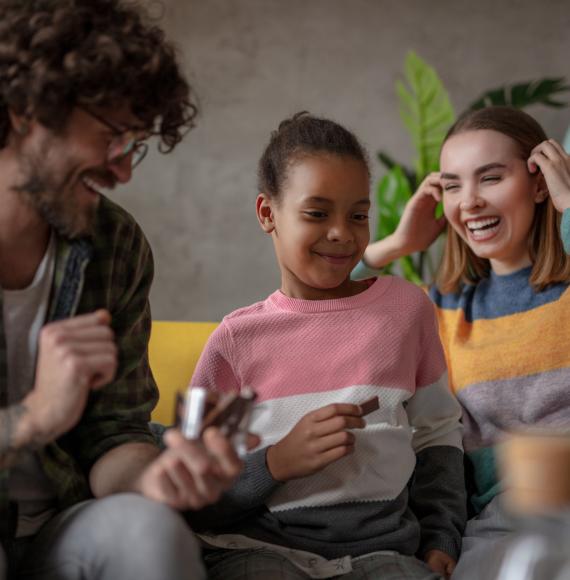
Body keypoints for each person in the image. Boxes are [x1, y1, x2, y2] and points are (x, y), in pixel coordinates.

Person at [0, 1, 247, 578]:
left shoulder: (114, 243)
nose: (124, 170)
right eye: (112, 135)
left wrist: (152, 478)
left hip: (60, 525)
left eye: (134, 144)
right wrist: (34, 417)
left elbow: (115, 431)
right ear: (24, 110)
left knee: (149, 531)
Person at [187, 112, 466, 580]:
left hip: (383, 556)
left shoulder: (405, 311)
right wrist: (274, 464)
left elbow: (438, 434)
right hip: (259, 551)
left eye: (358, 215)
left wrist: (442, 534)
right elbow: (190, 493)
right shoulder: (234, 342)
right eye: (317, 213)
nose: (342, 233)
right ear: (267, 214)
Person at [357, 106, 570, 579]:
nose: (468, 201)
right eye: (453, 185)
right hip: (495, 522)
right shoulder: (444, 309)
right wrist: (393, 246)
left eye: (490, 178)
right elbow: (330, 305)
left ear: (539, 184)